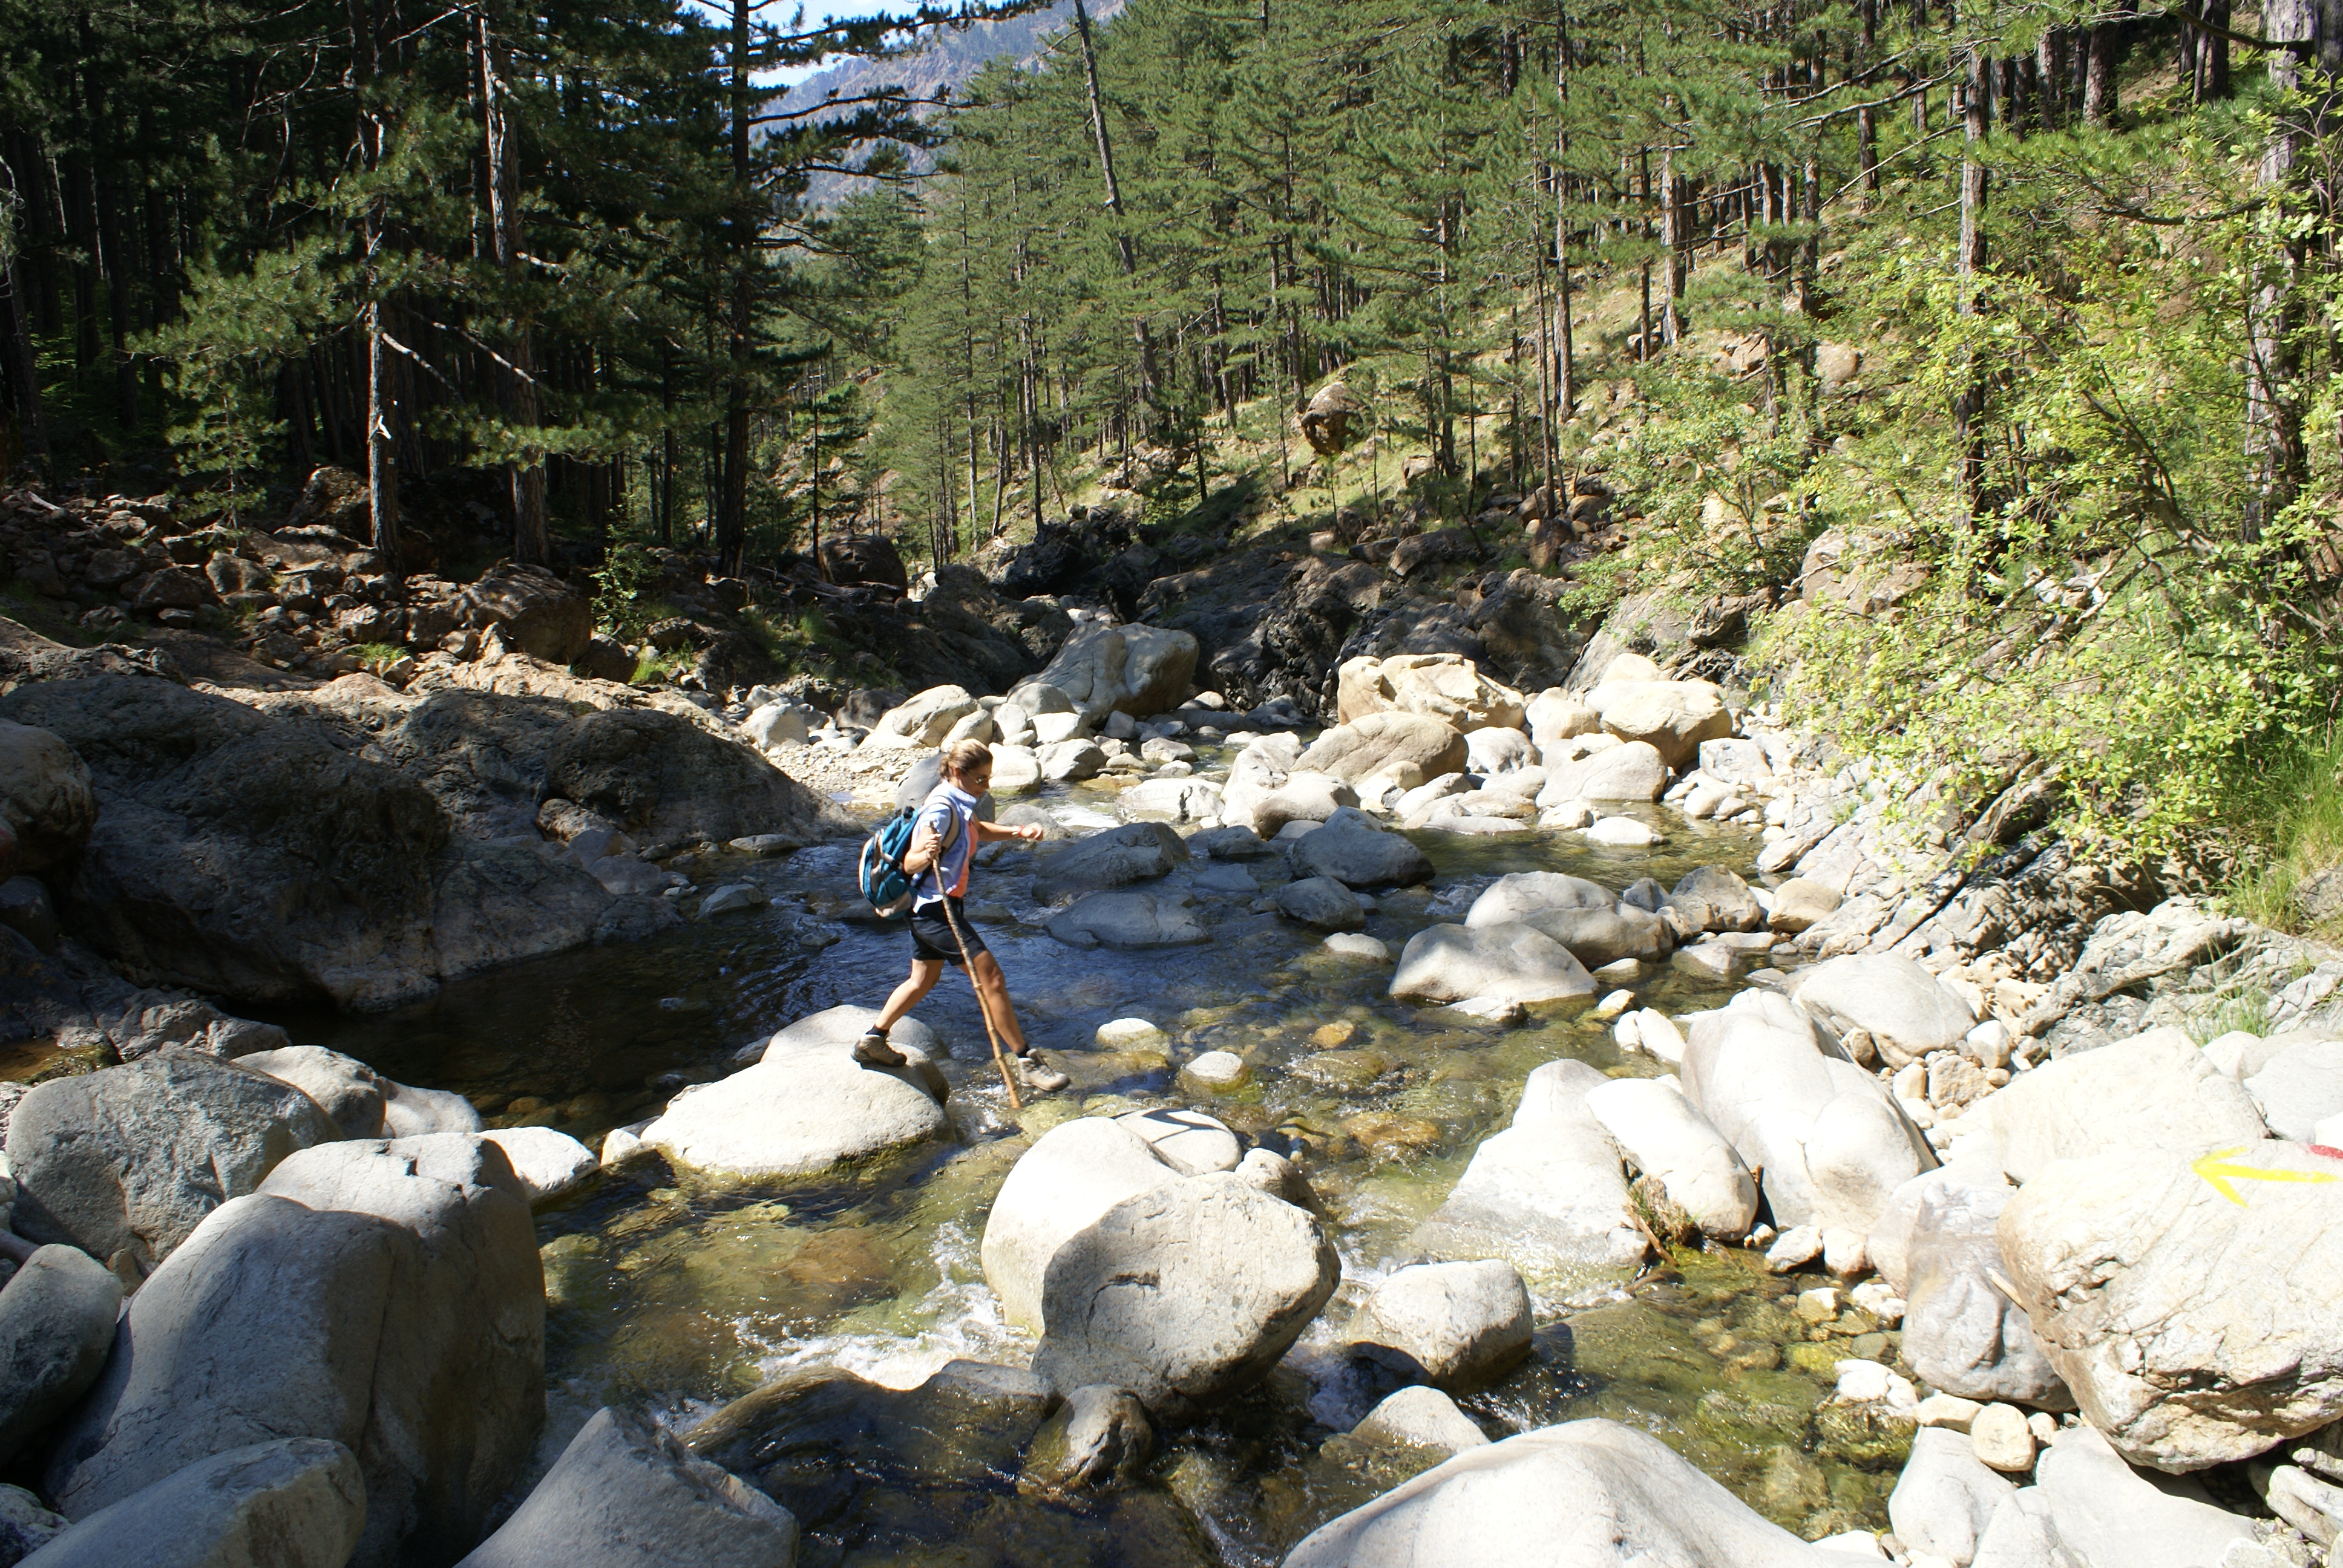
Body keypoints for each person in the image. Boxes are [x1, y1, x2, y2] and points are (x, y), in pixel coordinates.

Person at [856, 739, 1070, 1092]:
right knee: (993, 979)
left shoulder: (958, 801)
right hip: (934, 910)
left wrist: (1017, 831)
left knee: (922, 980)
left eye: (988, 778)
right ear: (957, 772)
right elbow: (910, 863)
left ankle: (872, 1041)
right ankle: (1027, 1061)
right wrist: (924, 855)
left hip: (937, 907)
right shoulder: (940, 807)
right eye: (980, 779)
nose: (985, 786)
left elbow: (978, 831)